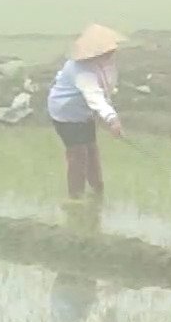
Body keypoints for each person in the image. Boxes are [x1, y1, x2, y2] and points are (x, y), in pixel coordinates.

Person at [47, 24, 125, 207]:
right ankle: (75, 197)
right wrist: (112, 119)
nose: (112, 52)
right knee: (77, 154)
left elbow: (105, 90)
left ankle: (98, 190)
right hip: (66, 113)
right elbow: (94, 96)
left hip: (85, 110)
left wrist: (106, 115)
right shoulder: (80, 70)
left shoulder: (106, 64)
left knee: (92, 150)